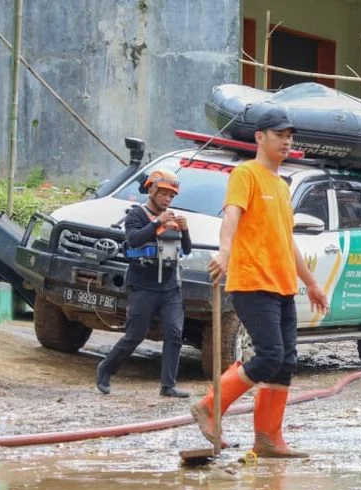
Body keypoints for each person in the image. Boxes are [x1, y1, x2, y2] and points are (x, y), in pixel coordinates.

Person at [191, 105, 330, 458]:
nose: (287, 141)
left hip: (282, 285)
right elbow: (231, 217)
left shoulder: (282, 187)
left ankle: (268, 438)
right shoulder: (246, 175)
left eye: (289, 136)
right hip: (252, 282)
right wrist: (223, 252)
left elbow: (287, 241)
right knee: (269, 356)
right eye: (280, 135)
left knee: (285, 362)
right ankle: (210, 406)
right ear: (259, 137)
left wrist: (312, 283)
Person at [96, 169, 192, 397]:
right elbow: (134, 239)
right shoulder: (136, 215)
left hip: (170, 288)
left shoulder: (172, 218)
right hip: (143, 285)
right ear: (152, 190)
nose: (168, 199)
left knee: (174, 333)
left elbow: (186, 249)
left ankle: (168, 385)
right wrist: (157, 222)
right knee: (135, 335)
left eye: (171, 196)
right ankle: (106, 369)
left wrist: (185, 229)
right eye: (164, 194)